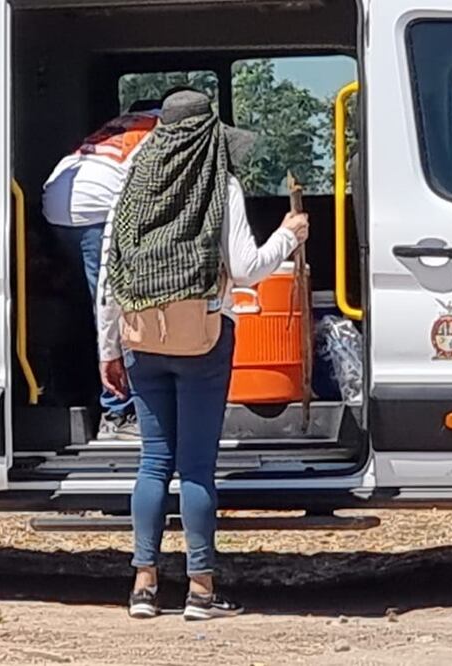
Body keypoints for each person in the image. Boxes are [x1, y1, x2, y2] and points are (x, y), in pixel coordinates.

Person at [94, 90, 309, 620]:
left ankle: (143, 586)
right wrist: (288, 236)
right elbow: (246, 267)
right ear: (210, 132)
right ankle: (202, 590)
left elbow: (108, 270)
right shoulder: (222, 185)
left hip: (140, 335)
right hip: (204, 338)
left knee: (152, 462)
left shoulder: (130, 183)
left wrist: (109, 347)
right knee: (195, 467)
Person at [41, 98, 162, 439]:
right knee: (116, 311)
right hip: (97, 212)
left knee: (89, 310)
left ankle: (79, 393)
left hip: (58, 209)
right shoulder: (163, 129)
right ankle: (118, 412)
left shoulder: (117, 127)